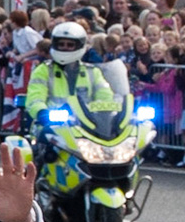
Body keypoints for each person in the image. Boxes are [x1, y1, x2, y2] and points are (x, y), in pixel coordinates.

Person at [23, 22, 116, 165]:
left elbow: (106, 97)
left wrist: (108, 112)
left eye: (70, 45)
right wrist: (42, 112)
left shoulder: (92, 72)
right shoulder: (44, 70)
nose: (65, 48)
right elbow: (35, 97)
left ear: (79, 46)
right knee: (41, 157)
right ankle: (37, 183)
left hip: (87, 126)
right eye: (61, 44)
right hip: (52, 126)